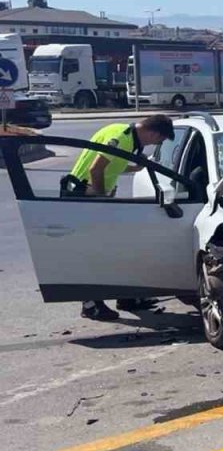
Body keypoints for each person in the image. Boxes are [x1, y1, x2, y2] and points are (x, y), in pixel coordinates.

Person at [63, 115, 176, 320]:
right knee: (95, 253)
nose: (155, 144)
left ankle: (127, 297)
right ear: (153, 133)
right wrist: (100, 196)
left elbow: (112, 164)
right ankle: (90, 305)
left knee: (114, 248)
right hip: (84, 197)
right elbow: (95, 168)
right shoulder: (121, 137)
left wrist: (136, 168)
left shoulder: (125, 135)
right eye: (158, 141)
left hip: (89, 196)